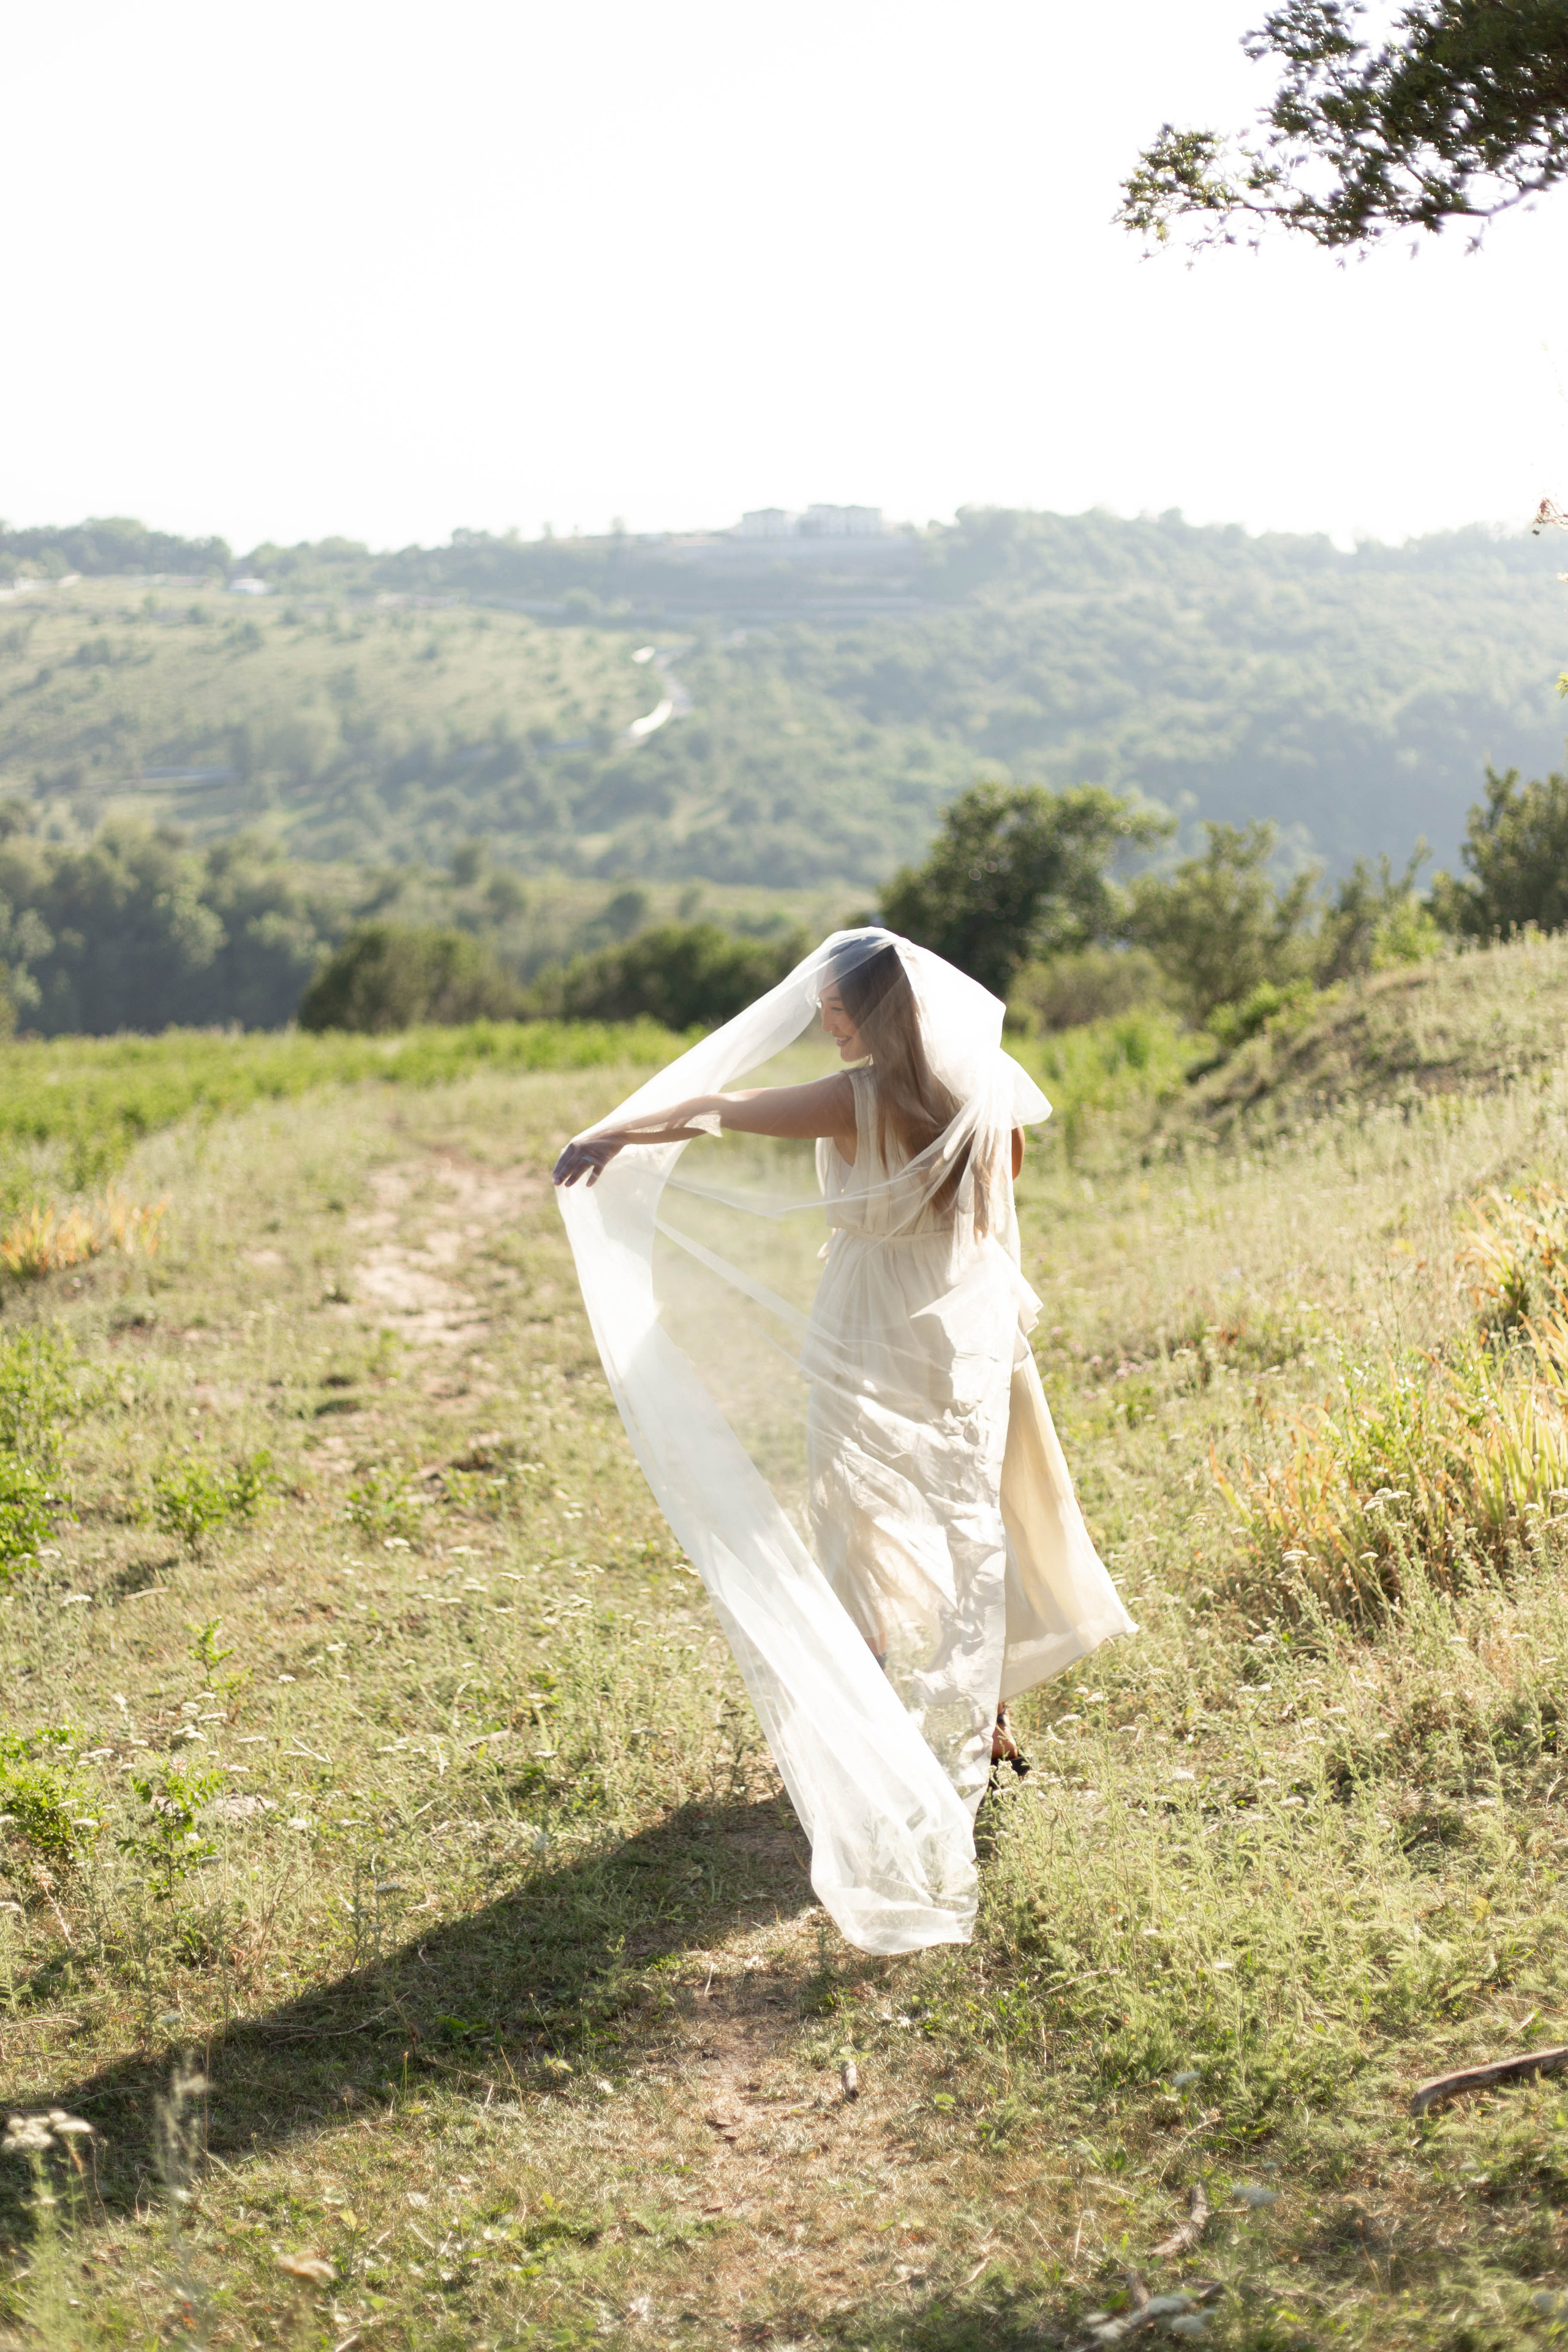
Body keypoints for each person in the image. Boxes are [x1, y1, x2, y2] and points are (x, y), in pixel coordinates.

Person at [554, 928, 1134, 1954]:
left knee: (866, 1518)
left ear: (870, 1013)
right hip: (964, 1317)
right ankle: (980, 1714)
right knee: (969, 1511)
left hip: (872, 1320)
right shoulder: (984, 1092)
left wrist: (614, 1134)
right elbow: (995, 1206)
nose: (823, 1021)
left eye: (834, 1007)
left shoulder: (859, 1096)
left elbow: (720, 1110)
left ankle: (879, 1740)